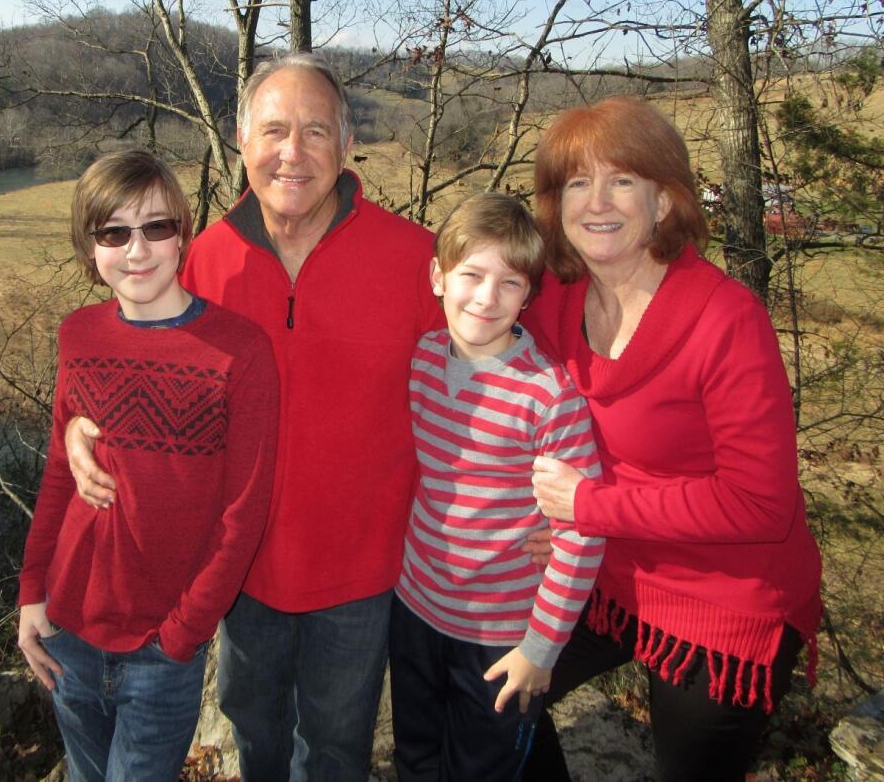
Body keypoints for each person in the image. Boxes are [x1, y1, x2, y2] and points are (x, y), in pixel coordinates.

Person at [66, 53, 445, 780]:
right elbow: (127, 363)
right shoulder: (203, 261)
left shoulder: (416, 260)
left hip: (362, 571)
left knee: (335, 751)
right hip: (237, 570)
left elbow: (499, 371)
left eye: (314, 131)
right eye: (274, 130)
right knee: (256, 736)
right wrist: (80, 428)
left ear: (345, 143)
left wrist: (536, 496)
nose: (292, 153)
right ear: (243, 141)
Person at [520, 97, 823, 782]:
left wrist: (588, 505)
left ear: (664, 201)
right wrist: (539, 513)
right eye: (576, 182)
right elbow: (499, 390)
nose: (597, 202)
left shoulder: (725, 321)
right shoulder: (555, 300)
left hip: (724, 594)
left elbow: (758, 506)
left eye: (622, 179)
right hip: (608, 571)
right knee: (492, 690)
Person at [17, 150, 279, 782]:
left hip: (162, 649)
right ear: (91, 247)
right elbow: (60, 470)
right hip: (69, 629)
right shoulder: (79, 334)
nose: (137, 250)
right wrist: (31, 594)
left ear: (184, 234)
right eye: (115, 232)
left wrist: (183, 632)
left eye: (156, 227)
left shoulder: (240, 351)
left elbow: (242, 517)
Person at [390, 192, 605, 782]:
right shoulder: (422, 358)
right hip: (416, 612)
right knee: (416, 758)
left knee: (479, 771)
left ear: (530, 295)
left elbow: (580, 534)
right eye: (471, 275)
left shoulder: (548, 396)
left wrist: (541, 649)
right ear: (438, 276)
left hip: (502, 636)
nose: (486, 298)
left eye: (509, 283)